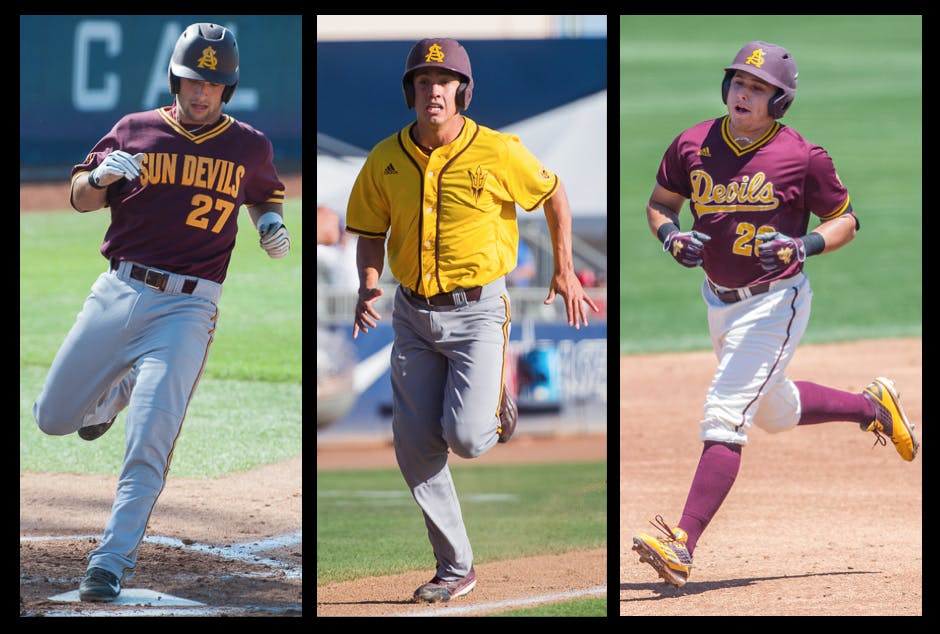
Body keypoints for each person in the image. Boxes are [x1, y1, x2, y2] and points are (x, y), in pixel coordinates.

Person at [631, 40, 919, 588]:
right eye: (739, 81)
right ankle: (871, 406)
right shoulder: (692, 143)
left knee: (725, 412)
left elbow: (847, 221)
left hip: (775, 302)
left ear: (778, 101)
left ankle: (681, 544)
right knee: (774, 411)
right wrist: (670, 236)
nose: (743, 92)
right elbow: (660, 203)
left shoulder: (803, 156)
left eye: (758, 88)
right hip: (717, 300)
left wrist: (802, 245)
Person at [32, 22, 291, 602]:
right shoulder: (136, 129)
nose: (202, 92)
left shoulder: (248, 145)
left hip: (189, 309)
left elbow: (264, 193)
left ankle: (110, 560)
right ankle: (116, 390)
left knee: (150, 440)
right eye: (193, 80)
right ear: (176, 77)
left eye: (214, 83)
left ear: (229, 88)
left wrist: (269, 221)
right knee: (51, 417)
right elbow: (81, 197)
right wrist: (97, 177)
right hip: (117, 291)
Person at [346, 37, 599, 603]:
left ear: (462, 91)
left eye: (444, 81)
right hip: (411, 312)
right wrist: (367, 284)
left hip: (479, 310)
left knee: (467, 438)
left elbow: (554, 193)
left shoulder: (498, 150)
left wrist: (563, 268)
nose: (433, 90)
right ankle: (455, 567)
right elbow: (368, 229)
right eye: (422, 80)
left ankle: (497, 409)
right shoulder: (386, 157)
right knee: (413, 445)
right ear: (409, 90)